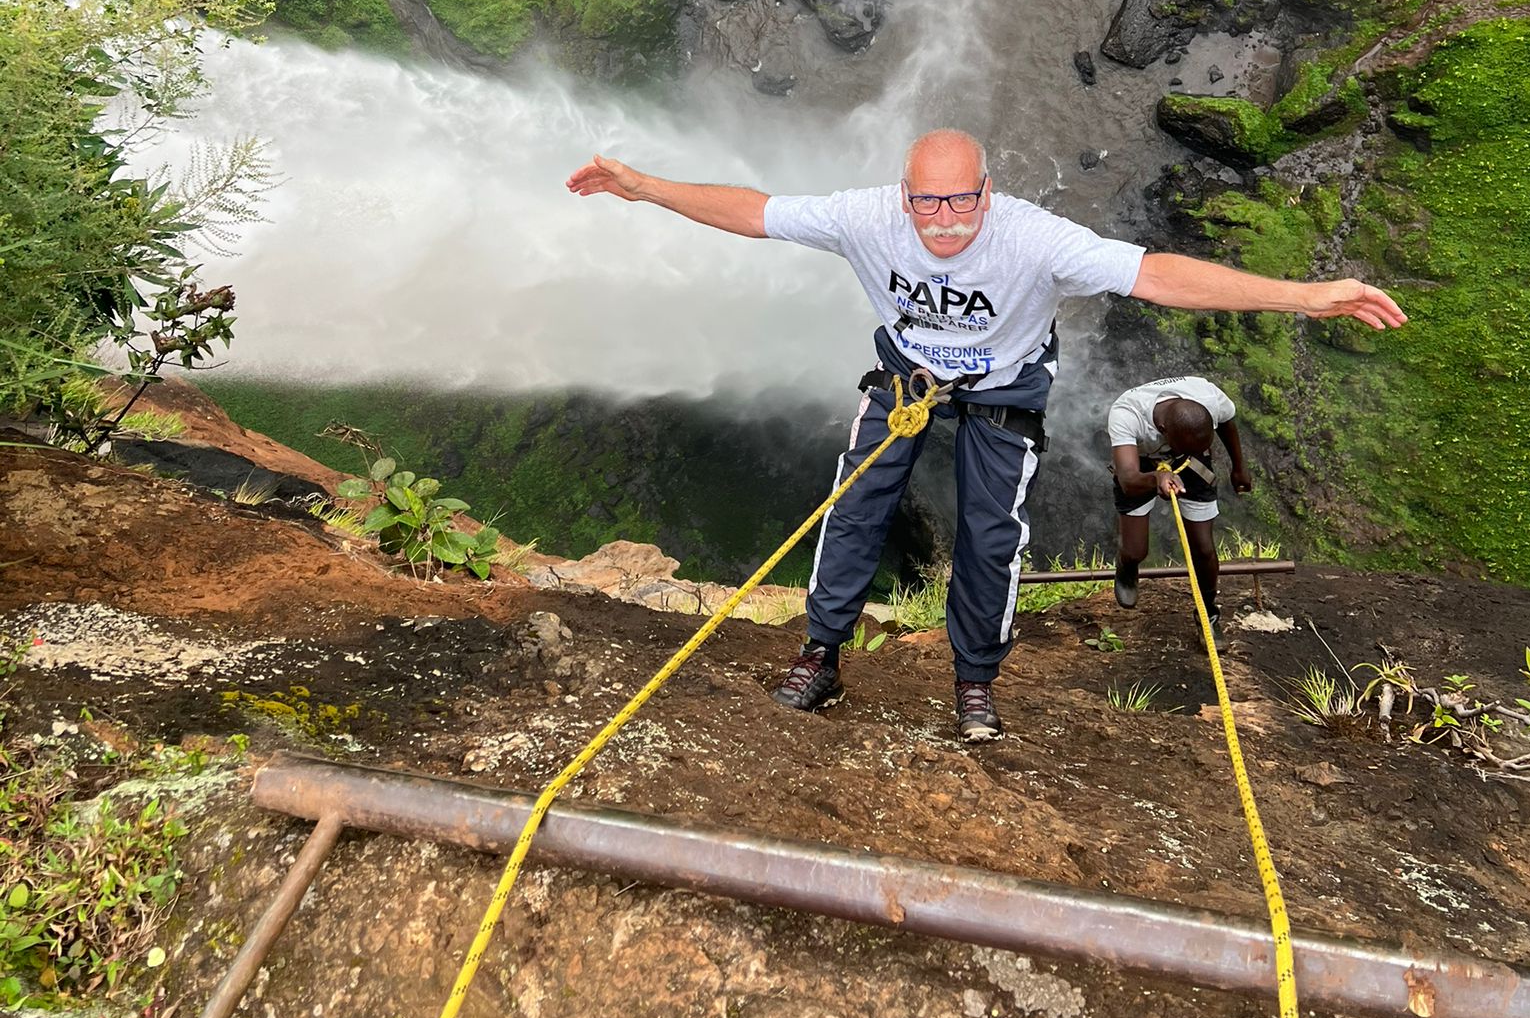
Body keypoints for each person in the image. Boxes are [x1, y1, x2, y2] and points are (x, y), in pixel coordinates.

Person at [566, 129, 1404, 743]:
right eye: (926, 199)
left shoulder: (1034, 238)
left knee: (989, 535)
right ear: (904, 197)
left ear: (988, 192)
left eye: (960, 198)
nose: (943, 218)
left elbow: (1154, 274)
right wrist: (646, 187)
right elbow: (757, 213)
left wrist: (1301, 295)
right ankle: (820, 654)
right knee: (856, 504)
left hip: (1003, 386)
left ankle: (974, 683)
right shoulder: (866, 218)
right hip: (906, 377)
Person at [1107, 375, 1250, 650]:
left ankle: (1208, 613)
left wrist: (1238, 465)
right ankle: (1127, 566)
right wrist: (1156, 478)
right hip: (1142, 466)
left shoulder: (1208, 396)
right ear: (1162, 429)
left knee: (1204, 548)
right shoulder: (1126, 414)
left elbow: (1228, 423)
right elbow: (1128, 478)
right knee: (1136, 550)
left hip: (1190, 460)